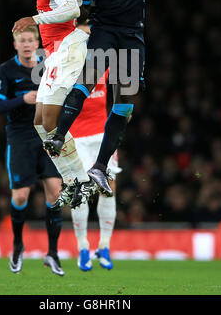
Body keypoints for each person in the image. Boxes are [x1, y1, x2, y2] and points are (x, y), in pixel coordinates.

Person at [43, 0, 199, 199]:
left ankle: (100, 167)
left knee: (125, 105)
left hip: (132, 37)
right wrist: (75, 2)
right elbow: (85, 10)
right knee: (88, 80)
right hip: (105, 32)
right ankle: (57, 136)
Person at [12, 0, 97, 210]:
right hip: (57, 53)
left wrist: (33, 19)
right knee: (40, 122)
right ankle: (72, 179)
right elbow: (76, 3)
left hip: (67, 48)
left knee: (49, 121)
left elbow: (72, 11)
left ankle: (82, 178)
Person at [0, 26, 65, 276]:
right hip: (20, 139)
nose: (26, 44)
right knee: (21, 196)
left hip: (47, 136)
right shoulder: (6, 70)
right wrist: (22, 100)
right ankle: (18, 245)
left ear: (37, 43)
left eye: (30, 40)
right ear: (15, 45)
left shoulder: (48, 65)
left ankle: (52, 254)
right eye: (21, 40)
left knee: (55, 193)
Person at [70, 24, 121, 271]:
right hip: (76, 138)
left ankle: (104, 246)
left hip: (101, 135)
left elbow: (123, 86)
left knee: (108, 190)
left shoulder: (103, 63)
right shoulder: (66, 66)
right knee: (79, 193)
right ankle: (82, 247)